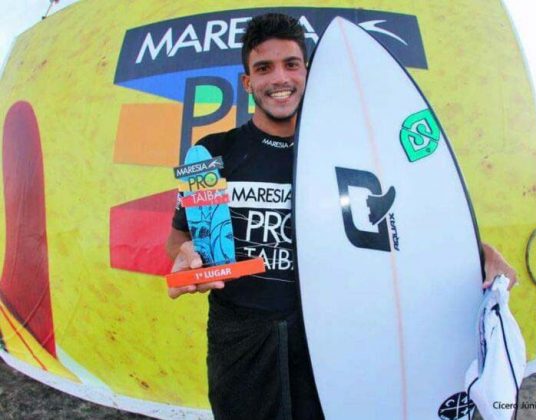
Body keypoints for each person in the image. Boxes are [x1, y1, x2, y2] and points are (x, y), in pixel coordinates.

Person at [166, 13, 517, 420]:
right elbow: (178, 238)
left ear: (308, 72)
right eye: (264, 68)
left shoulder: (351, 151)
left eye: (291, 64)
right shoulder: (209, 152)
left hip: (331, 338)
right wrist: (187, 251)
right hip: (240, 342)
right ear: (248, 82)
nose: (279, 78)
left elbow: (407, 222)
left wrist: (480, 254)